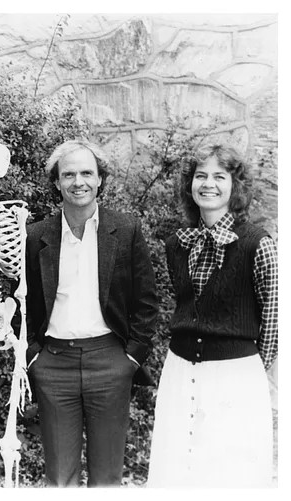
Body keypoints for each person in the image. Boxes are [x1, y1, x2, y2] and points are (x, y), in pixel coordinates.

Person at [25, 139, 158, 487]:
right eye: (68, 174)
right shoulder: (36, 236)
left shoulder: (126, 230)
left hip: (110, 362)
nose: (78, 181)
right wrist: (32, 357)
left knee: (106, 478)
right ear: (56, 182)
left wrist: (132, 357)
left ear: (100, 179)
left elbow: (146, 301)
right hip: (53, 365)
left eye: (87, 172)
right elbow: (22, 302)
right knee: (60, 478)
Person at [147, 144, 277, 487]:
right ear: (190, 185)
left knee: (228, 472)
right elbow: (189, 307)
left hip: (235, 377)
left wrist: (244, 371)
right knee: (178, 469)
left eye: (219, 176)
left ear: (235, 186)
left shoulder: (257, 244)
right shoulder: (178, 244)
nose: (209, 184)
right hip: (180, 369)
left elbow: (274, 320)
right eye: (200, 176)